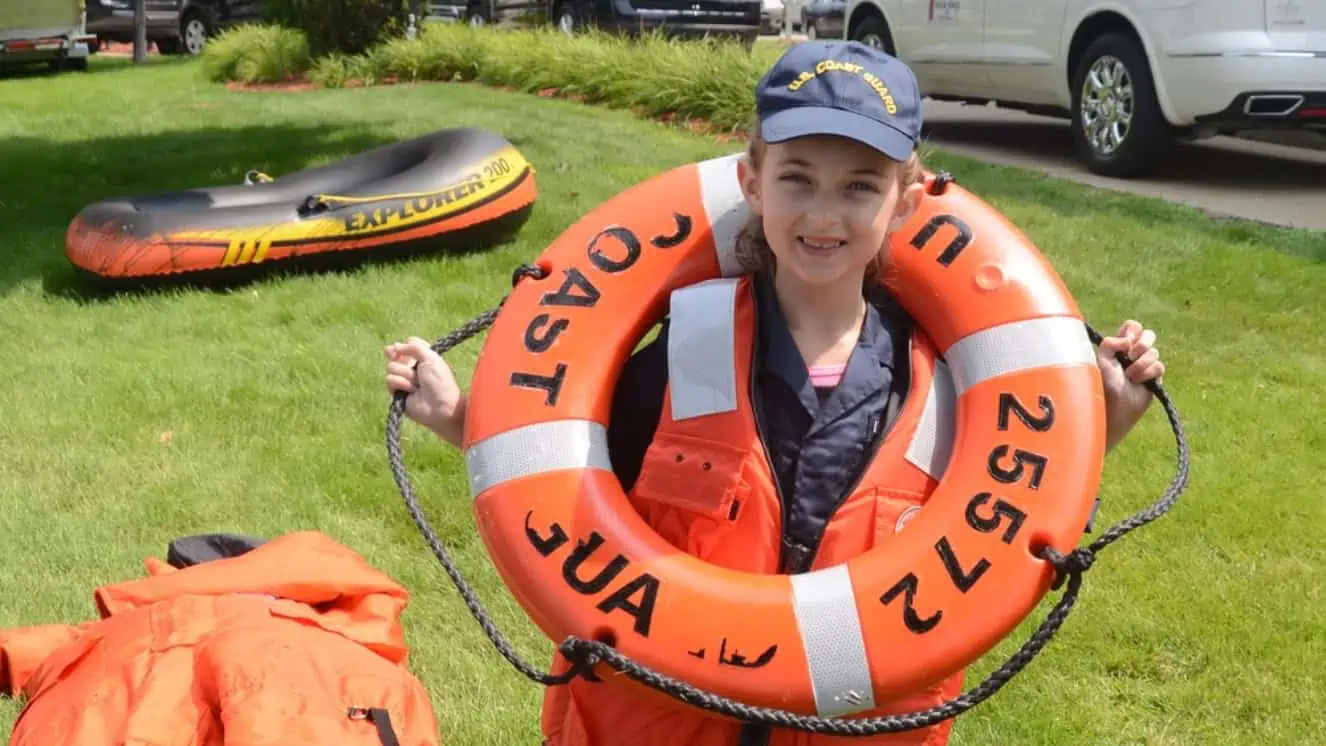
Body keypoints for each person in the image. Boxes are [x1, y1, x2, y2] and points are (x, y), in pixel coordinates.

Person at [384, 40, 1166, 746]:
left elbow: (1013, 505)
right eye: (799, 179)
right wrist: (461, 419)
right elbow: (568, 476)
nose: (825, 214)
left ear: (906, 198)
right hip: (662, 720)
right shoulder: (678, 354)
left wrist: (1103, 422)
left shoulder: (950, 384)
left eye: (859, 187)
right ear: (753, 183)